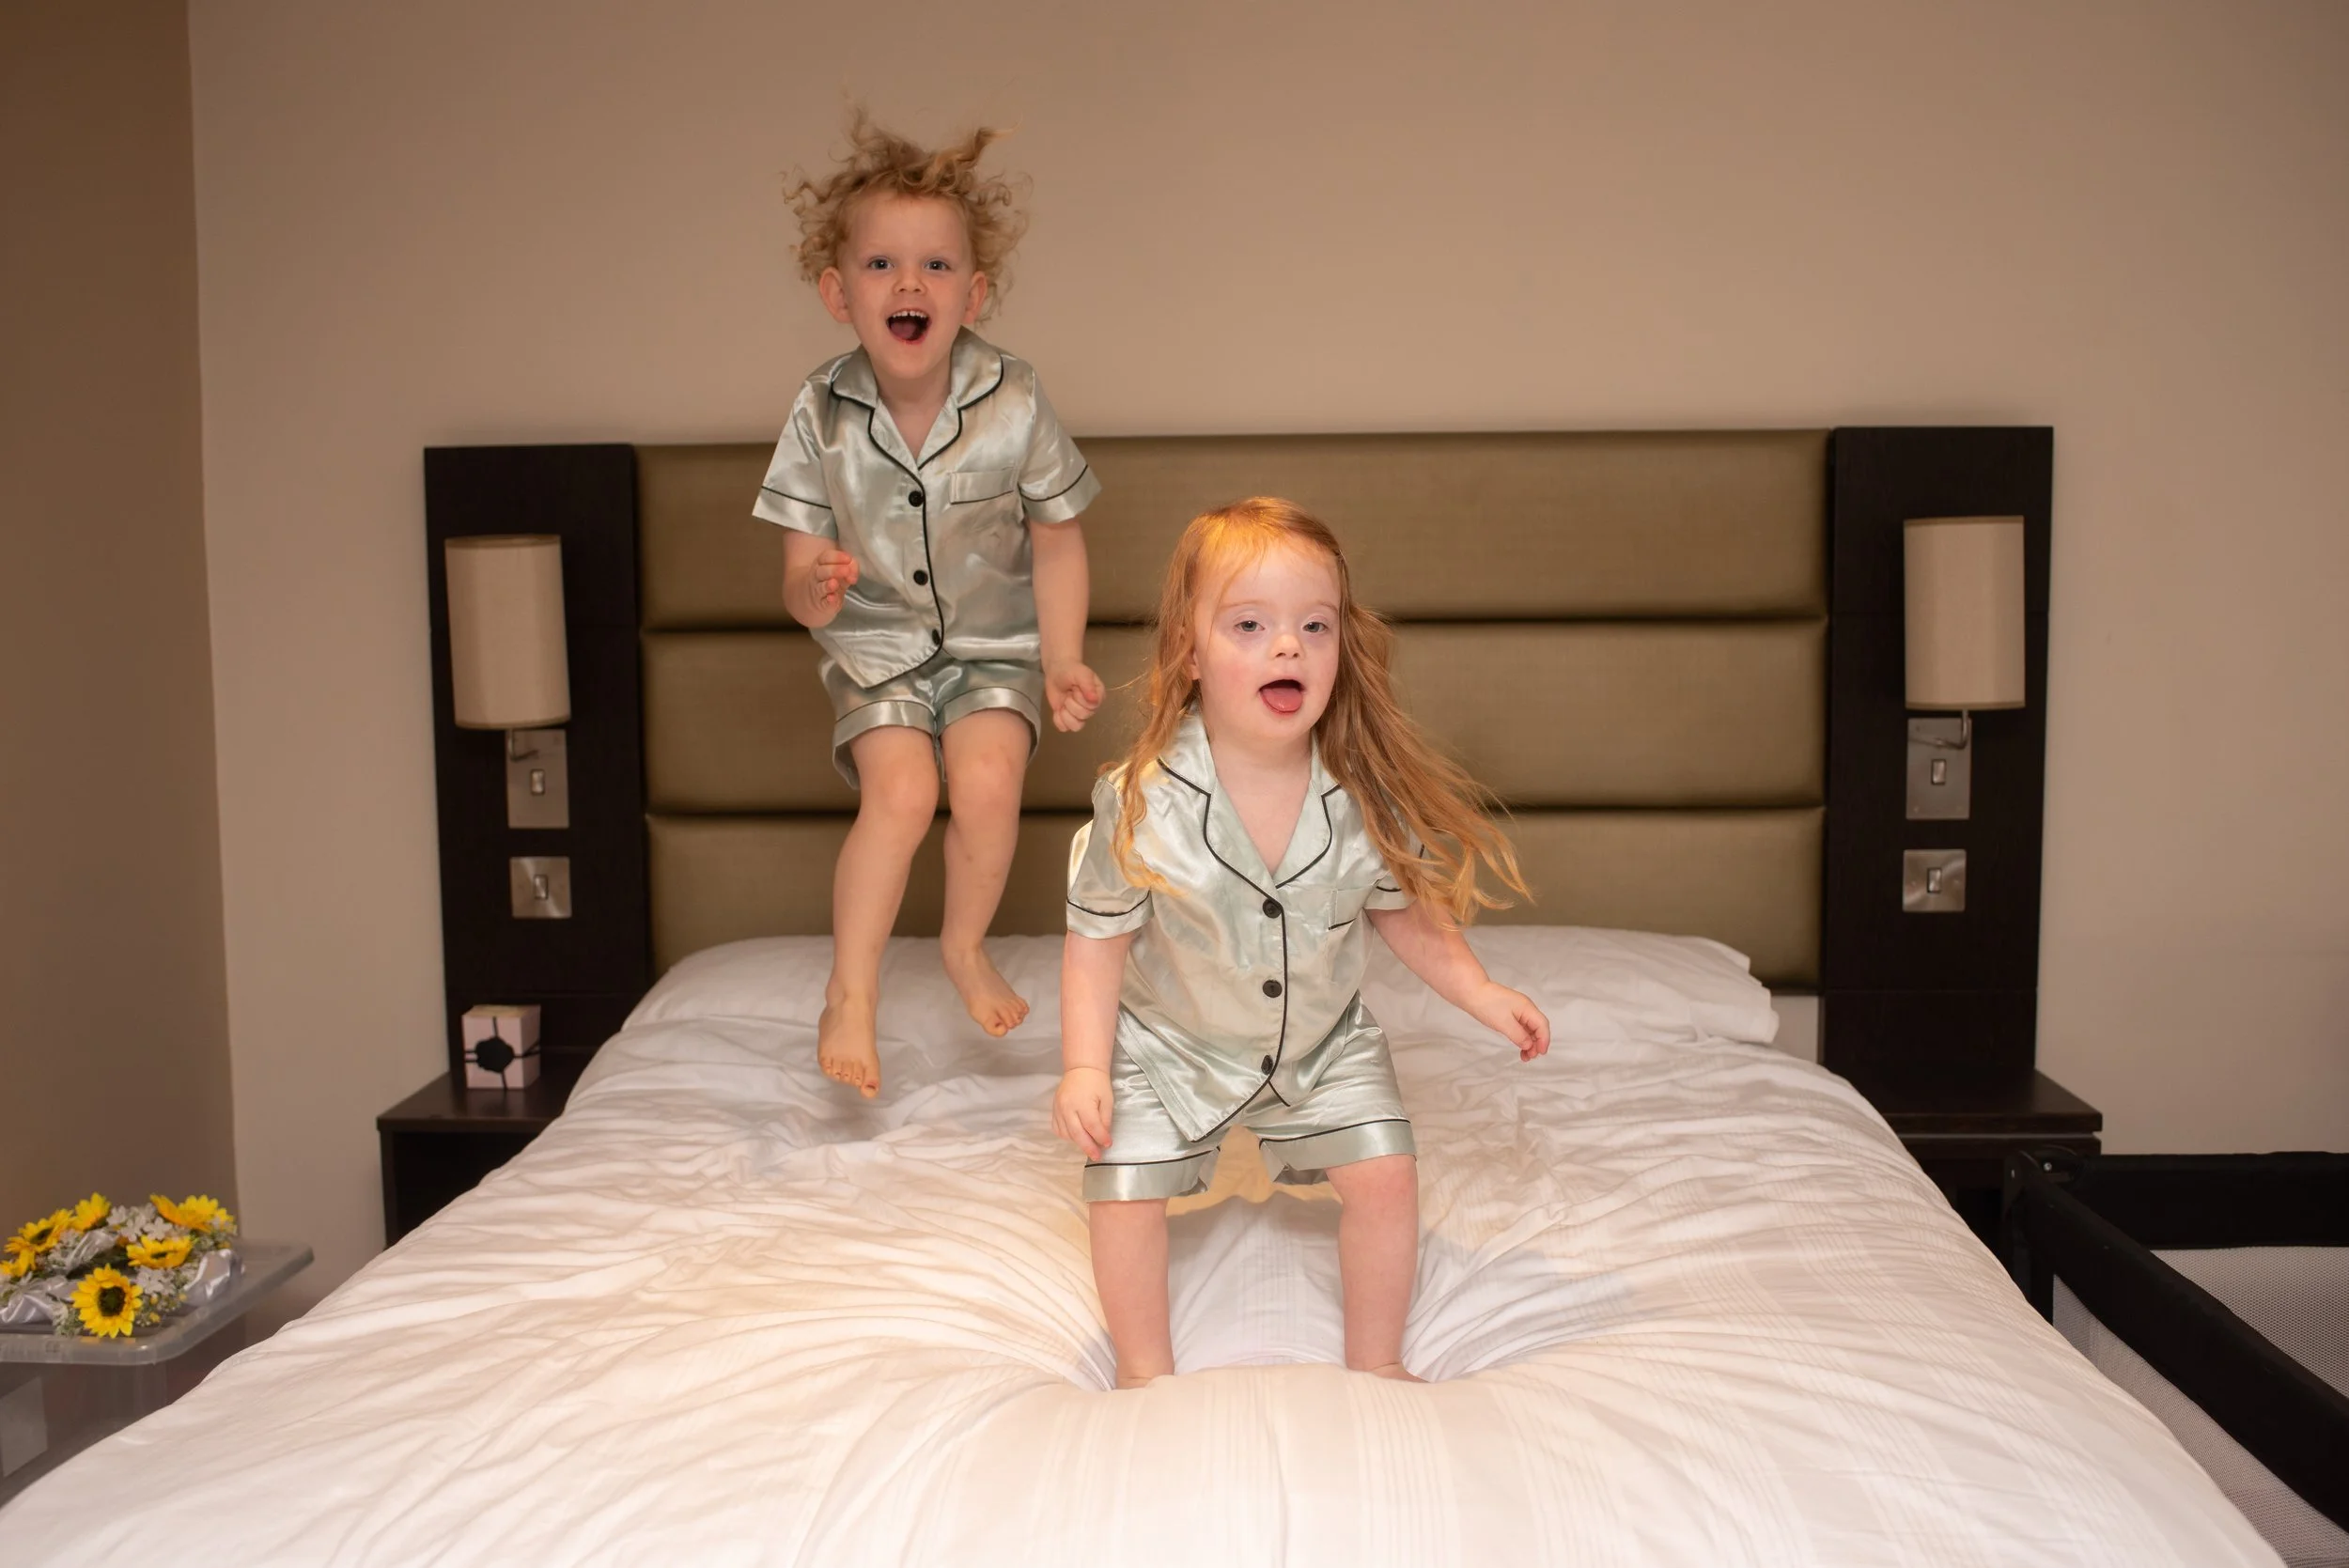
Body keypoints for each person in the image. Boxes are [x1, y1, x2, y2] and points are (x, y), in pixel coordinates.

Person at [1054, 497, 1550, 1386]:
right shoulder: (1141, 801)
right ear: (1190, 652)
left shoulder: (1361, 794)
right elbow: (1096, 941)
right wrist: (1087, 1067)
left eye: (1314, 626)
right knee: (1124, 1192)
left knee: (1388, 1175)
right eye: (1250, 624)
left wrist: (1481, 991)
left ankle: (1379, 1359)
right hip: (1170, 1046)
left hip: (1322, 1045)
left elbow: (1402, 912)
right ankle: (1140, 1367)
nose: (1289, 646)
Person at [756, 114, 1103, 1097]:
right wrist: (811, 586)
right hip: (874, 650)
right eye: (880, 265)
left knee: (988, 783)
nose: (909, 286)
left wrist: (1064, 656)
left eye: (936, 267)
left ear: (972, 292)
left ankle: (961, 944)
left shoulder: (1017, 399)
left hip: (995, 650)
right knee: (904, 792)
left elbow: (1058, 535)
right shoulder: (816, 413)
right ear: (839, 294)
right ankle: (851, 990)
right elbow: (794, 571)